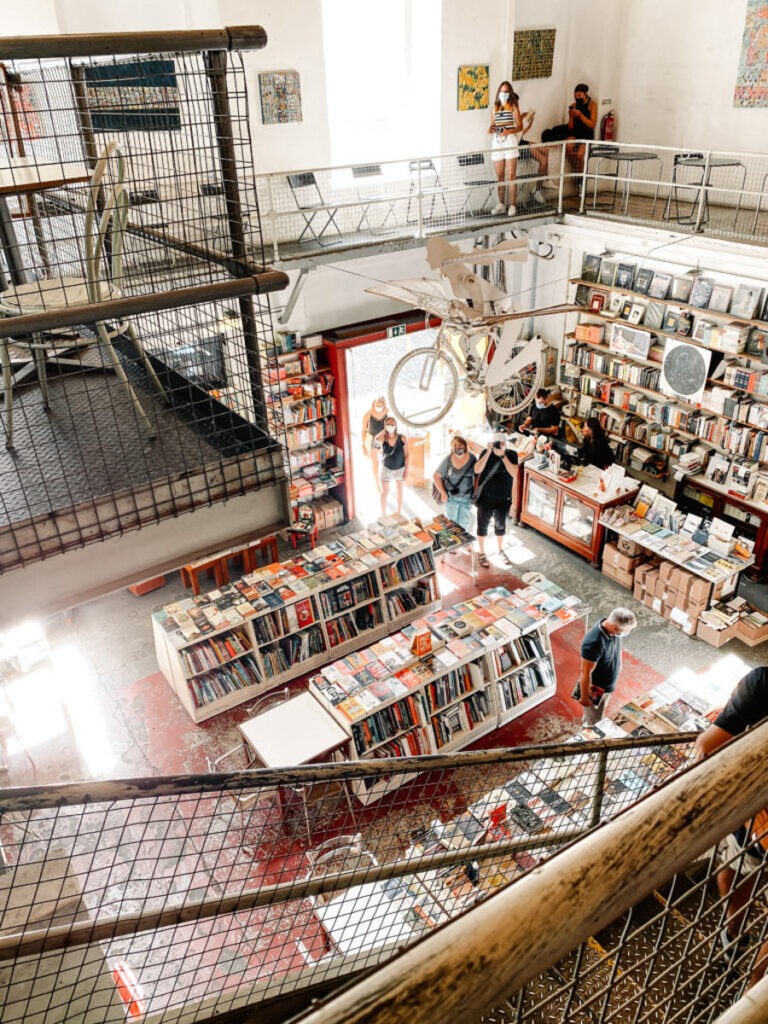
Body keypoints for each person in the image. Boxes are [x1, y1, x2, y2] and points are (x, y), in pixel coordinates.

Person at [694, 667, 768, 989]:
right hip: (754, 820)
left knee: (736, 866)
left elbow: (707, 747)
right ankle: (752, 997)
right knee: (737, 865)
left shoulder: (761, 684)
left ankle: (733, 935)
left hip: (754, 820)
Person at [572, 608, 637, 726]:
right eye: (626, 630)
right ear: (614, 628)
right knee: (594, 722)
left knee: (593, 715)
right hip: (597, 689)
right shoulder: (593, 643)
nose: (626, 633)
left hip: (607, 687)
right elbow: (585, 672)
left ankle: (586, 722)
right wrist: (584, 697)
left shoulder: (612, 628)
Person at [473, 433, 517, 568]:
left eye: (500, 444)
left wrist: (502, 455)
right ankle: (482, 552)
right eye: (495, 443)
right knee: (482, 526)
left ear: (504, 444)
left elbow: (514, 473)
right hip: (485, 498)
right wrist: (488, 453)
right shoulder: (485, 453)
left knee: (500, 526)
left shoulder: (511, 454)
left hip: (503, 499)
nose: (498, 446)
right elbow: (477, 469)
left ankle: (499, 550)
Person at [541, 83, 598, 173]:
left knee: (579, 155)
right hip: (575, 132)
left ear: (585, 94)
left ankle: (581, 177)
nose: (577, 98)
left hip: (587, 133)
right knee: (568, 149)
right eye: (575, 96)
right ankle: (576, 170)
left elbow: (592, 124)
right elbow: (570, 127)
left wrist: (580, 115)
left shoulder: (592, 104)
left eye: (579, 95)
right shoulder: (574, 105)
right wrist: (571, 116)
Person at [488, 81, 524, 216]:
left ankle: (513, 204)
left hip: (509, 140)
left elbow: (520, 126)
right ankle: (501, 203)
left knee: (511, 175)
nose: (503, 94)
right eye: (501, 91)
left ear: (510, 93)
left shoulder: (514, 107)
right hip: (497, 142)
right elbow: (493, 124)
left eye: (506, 91)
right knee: (500, 176)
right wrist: (491, 129)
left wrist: (508, 131)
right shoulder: (495, 108)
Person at [433, 435, 476, 529]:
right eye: (454, 446)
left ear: (465, 446)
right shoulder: (448, 459)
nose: (457, 448)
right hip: (451, 498)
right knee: (451, 525)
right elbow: (436, 476)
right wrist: (443, 494)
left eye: (460, 445)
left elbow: (477, 475)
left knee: (463, 525)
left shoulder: (472, 459)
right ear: (451, 447)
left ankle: (463, 543)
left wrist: (476, 494)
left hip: (466, 498)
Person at [375, 416, 408, 515]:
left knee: (399, 491)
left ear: (396, 426)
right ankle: (383, 514)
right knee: (385, 492)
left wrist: (406, 470)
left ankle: (398, 512)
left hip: (400, 468)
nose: (390, 426)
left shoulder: (402, 438)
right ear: (385, 426)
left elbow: (407, 454)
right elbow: (376, 438)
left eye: (392, 424)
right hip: (386, 468)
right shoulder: (383, 437)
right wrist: (385, 430)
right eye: (388, 424)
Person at [362, 396, 389, 492]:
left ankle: (385, 481)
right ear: (373, 404)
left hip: (384, 441)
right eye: (377, 405)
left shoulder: (387, 412)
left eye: (381, 405)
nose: (379, 407)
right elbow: (364, 430)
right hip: (372, 441)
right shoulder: (368, 414)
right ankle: (377, 483)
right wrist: (363, 444)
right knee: (375, 463)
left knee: (386, 462)